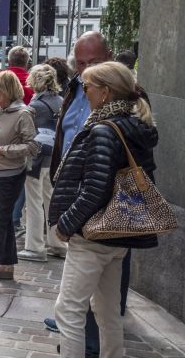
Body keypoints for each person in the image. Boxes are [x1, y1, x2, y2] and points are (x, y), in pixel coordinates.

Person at [51, 61, 158, 358]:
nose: (84, 93)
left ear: (106, 92)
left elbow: (95, 188)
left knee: (68, 310)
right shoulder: (135, 126)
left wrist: (66, 223)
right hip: (119, 232)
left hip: (93, 236)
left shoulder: (103, 130)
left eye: (87, 87)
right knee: (108, 309)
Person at [0, 71, 40, 293]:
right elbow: (0, 137)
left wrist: (3, 149)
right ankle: (6, 266)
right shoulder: (3, 110)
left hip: (10, 174)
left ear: (6, 90)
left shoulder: (23, 113)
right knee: (1, 220)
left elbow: (32, 146)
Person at [18, 64, 66, 262]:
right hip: (54, 157)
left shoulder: (35, 105)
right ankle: (58, 244)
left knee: (34, 202)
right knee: (51, 200)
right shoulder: (61, 101)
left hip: (36, 158)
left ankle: (35, 247)